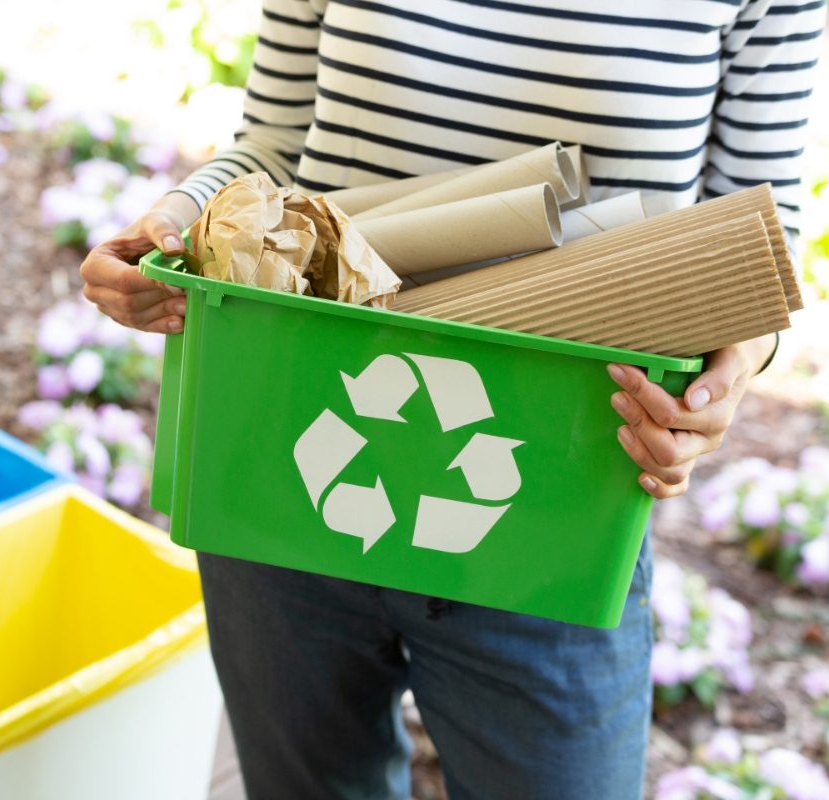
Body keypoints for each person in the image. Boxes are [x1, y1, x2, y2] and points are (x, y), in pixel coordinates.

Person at [80, 2, 825, 797]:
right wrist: (175, 223)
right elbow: (274, 142)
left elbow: (758, 230)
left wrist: (729, 376)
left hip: (560, 500)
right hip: (293, 453)